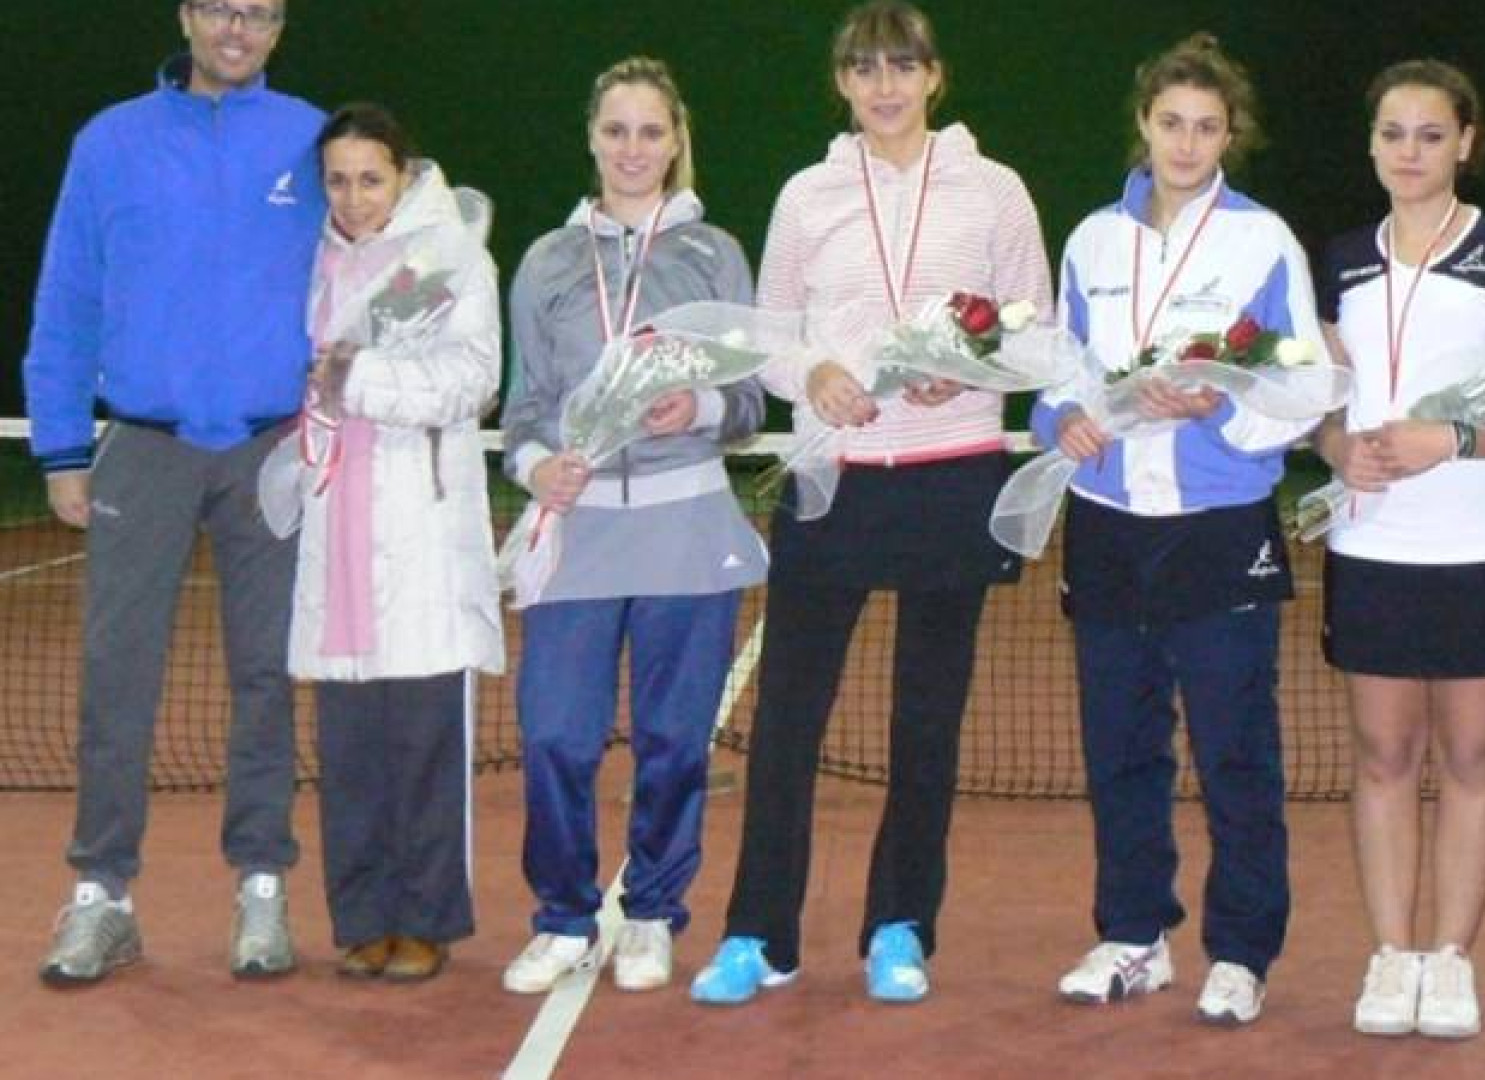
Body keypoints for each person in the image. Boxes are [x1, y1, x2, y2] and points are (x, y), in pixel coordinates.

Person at [690, 0, 1050, 1006]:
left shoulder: (996, 190)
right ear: (842, 83)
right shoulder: (807, 196)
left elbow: (1034, 330)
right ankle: (758, 935)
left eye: (902, 66)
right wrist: (815, 375)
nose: (884, 85)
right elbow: (769, 336)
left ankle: (900, 926)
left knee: (926, 721)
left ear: (935, 76)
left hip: (953, 471)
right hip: (833, 479)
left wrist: (967, 366)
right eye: (864, 69)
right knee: (788, 720)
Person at [26, 0, 321, 986]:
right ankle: (101, 895)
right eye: (223, 8)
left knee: (266, 675)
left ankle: (262, 888)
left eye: (260, 13)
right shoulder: (110, 143)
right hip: (143, 450)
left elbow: (368, 269)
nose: (239, 29)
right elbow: (67, 297)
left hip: (270, 452)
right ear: (189, 15)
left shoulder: (311, 140)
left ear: (279, 27)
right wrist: (63, 446)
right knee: (116, 675)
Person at [1030, 33, 1322, 1028]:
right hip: (1109, 524)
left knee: (1236, 751)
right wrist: (1060, 423)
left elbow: (1304, 386)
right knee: (1120, 744)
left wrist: (1222, 411)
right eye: (1171, 124)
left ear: (1230, 135)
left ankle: (1241, 951)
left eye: (1206, 127)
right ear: (1144, 126)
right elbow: (1062, 374)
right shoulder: (1090, 241)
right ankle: (1132, 935)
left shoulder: (1263, 241)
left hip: (1220, 523)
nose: (1186, 144)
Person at [498, 55, 766, 996]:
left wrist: (695, 408)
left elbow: (749, 403)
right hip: (577, 534)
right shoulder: (546, 262)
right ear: (592, 137)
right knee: (555, 737)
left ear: (676, 140)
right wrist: (540, 467)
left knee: (674, 742)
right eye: (616, 130)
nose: (632, 149)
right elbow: (522, 413)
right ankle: (563, 919)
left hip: (685, 527)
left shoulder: (714, 254)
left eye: (651, 131)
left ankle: (651, 911)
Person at [1312, 60, 1485, 1039]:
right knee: (1382, 754)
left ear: (1465, 142)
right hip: (1374, 542)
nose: (1408, 152)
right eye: (1392, 134)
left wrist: (1447, 441)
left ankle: (1450, 958)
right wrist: (1338, 447)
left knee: (1473, 753)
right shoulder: (1339, 260)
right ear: (1371, 144)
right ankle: (1391, 956)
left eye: (1429, 134)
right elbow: (1325, 398)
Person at [288, 103, 504, 982]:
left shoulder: (449, 258)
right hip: (335, 531)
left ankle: (426, 920)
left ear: (405, 175)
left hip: (420, 533)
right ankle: (363, 917)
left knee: (422, 746)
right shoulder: (312, 261)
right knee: (348, 754)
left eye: (370, 178)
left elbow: (473, 380)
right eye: (337, 181)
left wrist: (360, 376)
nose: (354, 197)